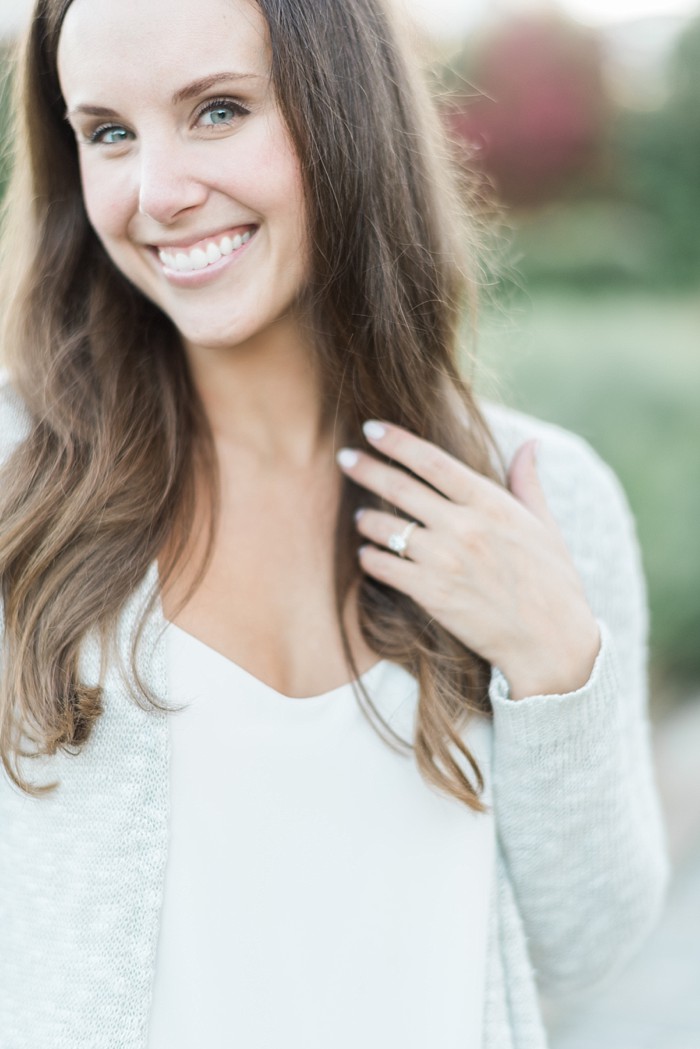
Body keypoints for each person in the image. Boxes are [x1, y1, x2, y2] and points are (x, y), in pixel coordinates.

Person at [0, 0, 669, 1046]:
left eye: (218, 110)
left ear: (345, 112)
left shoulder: (540, 499)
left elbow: (584, 940)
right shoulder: (16, 486)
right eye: (108, 133)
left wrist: (552, 661)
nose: (157, 193)